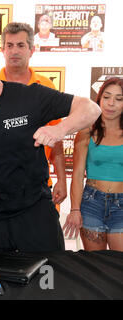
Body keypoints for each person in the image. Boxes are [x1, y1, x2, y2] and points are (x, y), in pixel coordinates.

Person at [0, 39, 101, 252]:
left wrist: (59, 130)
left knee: (48, 282)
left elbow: (91, 109)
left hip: (34, 215)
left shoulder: (29, 96)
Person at [0, 22, 67, 206]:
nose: (14, 51)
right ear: (2, 50)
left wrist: (62, 178)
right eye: (9, 46)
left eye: (21, 45)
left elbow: (56, 138)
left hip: (39, 187)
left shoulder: (46, 87)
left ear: (31, 50)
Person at [63, 77, 123, 251]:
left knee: (118, 268)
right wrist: (75, 209)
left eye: (119, 99)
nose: (111, 103)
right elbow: (77, 173)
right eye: (107, 97)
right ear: (99, 99)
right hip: (92, 203)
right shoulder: (86, 131)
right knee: (96, 266)